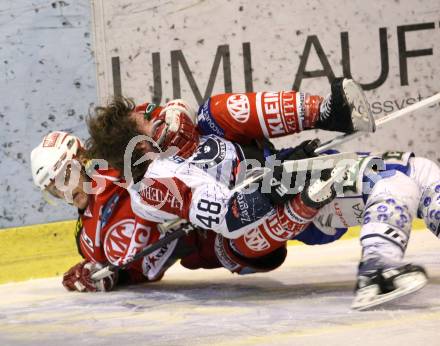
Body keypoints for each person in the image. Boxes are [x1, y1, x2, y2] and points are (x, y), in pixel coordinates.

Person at [86, 77, 439, 309]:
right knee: (395, 181)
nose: (161, 115)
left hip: (278, 179)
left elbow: (192, 117)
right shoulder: (157, 183)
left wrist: (283, 168)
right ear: (142, 147)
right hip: (265, 223)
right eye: (150, 119)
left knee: (418, 170)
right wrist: (283, 181)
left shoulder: (176, 141)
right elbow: (230, 216)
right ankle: (376, 271)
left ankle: (328, 113)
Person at [30, 131, 291, 292]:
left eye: (65, 177)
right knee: (286, 231)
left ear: (82, 159)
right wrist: (112, 277)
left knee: (295, 198)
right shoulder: (87, 243)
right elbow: (139, 269)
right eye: (54, 190)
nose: (64, 193)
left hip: (229, 189)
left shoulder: (119, 164)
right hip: (223, 250)